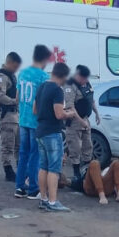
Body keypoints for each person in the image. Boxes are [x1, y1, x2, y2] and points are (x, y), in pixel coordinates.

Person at [34, 61, 71, 212]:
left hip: (40, 131)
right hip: (52, 133)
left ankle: (43, 199)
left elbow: (35, 109)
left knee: (43, 167)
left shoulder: (42, 86)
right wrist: (70, 113)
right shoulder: (57, 90)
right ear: (63, 76)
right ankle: (53, 201)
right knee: (54, 169)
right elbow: (59, 114)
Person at [15, 44, 51, 199]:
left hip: (23, 119)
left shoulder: (22, 73)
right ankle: (33, 189)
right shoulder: (43, 76)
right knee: (35, 155)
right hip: (36, 121)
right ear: (44, 59)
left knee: (23, 154)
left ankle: (19, 187)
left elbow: (17, 97)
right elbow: (44, 101)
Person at [64, 64, 100, 179]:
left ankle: (87, 171)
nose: (85, 80)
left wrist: (97, 113)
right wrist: (80, 121)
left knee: (88, 146)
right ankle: (76, 174)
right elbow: (70, 107)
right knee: (75, 148)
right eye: (84, 78)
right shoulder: (70, 85)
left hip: (85, 119)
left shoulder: (87, 83)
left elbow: (91, 100)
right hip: (74, 121)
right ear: (78, 76)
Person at [0, 51, 22, 181]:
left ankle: (21, 169)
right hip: (7, 115)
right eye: (15, 66)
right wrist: (14, 101)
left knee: (18, 145)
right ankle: (8, 171)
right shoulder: (1, 76)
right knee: (8, 145)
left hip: (16, 115)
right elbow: (0, 96)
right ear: (9, 63)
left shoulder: (11, 76)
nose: (16, 69)